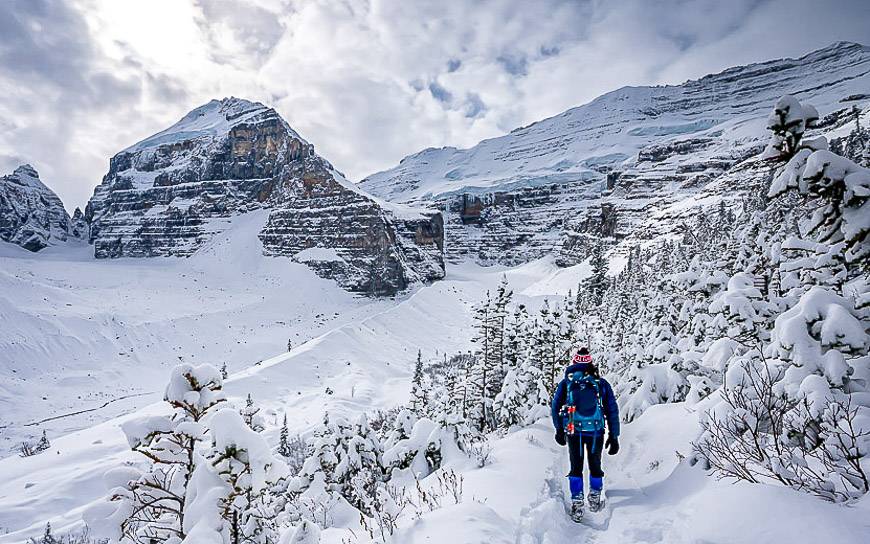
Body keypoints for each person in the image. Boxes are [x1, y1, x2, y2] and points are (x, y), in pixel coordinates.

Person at [550, 347, 619, 522]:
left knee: (576, 466)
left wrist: (558, 429)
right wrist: (614, 435)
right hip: (596, 431)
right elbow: (612, 409)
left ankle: (577, 503)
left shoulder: (567, 383)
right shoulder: (600, 382)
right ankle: (594, 499)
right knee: (595, 464)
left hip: (574, 431)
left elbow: (555, 406)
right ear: (590, 363)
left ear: (574, 363)